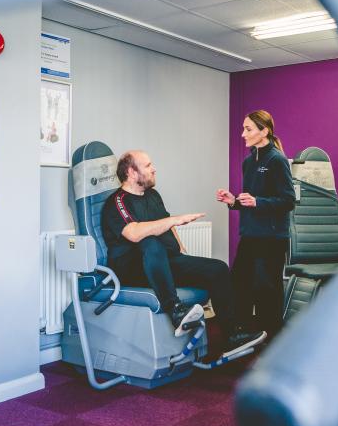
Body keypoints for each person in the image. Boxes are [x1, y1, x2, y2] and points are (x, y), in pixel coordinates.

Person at [101, 150, 267, 356]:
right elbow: (134, 234)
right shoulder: (117, 202)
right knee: (149, 242)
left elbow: (167, 226)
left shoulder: (152, 195)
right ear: (132, 173)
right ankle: (176, 311)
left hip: (162, 263)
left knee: (218, 269)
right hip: (133, 269)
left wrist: (182, 251)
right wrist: (174, 220)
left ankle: (232, 335)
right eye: (148, 165)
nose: (154, 169)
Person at [216, 110, 295, 340]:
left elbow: (288, 200)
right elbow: (249, 202)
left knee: (266, 291)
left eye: (248, 129)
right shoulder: (249, 161)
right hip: (250, 235)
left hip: (272, 238)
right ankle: (242, 334)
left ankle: (271, 339)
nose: (243, 134)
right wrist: (233, 202)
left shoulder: (277, 160)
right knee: (239, 284)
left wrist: (258, 201)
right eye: (243, 128)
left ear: (265, 131)